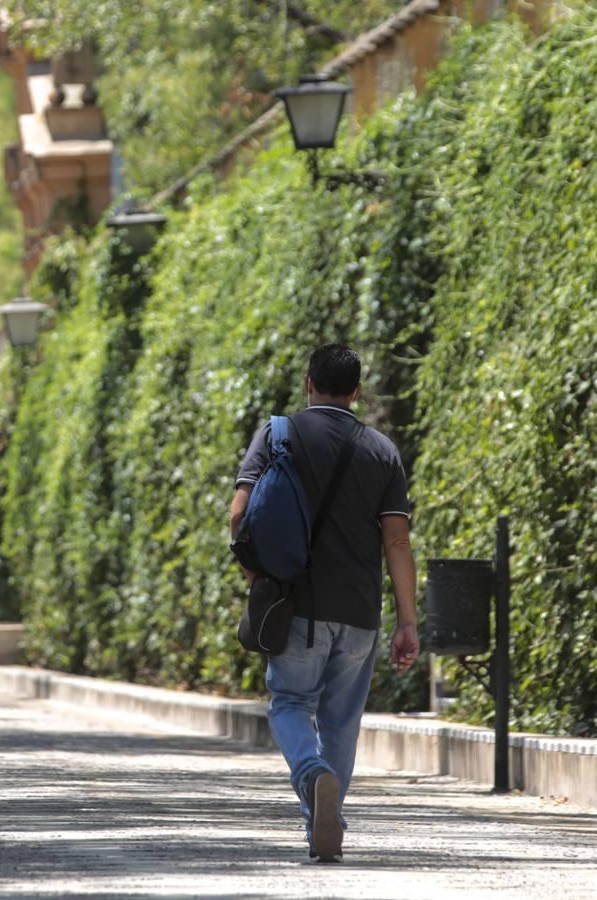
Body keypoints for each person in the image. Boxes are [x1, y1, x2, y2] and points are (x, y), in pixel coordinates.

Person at [230, 344, 419, 863]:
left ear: (308, 382)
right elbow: (397, 541)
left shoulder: (277, 434)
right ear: (358, 392)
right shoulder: (381, 450)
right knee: (341, 719)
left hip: (295, 604)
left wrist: (256, 576)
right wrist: (407, 620)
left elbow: (239, 514)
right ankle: (324, 825)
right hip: (359, 612)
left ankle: (312, 775)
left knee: (291, 702)